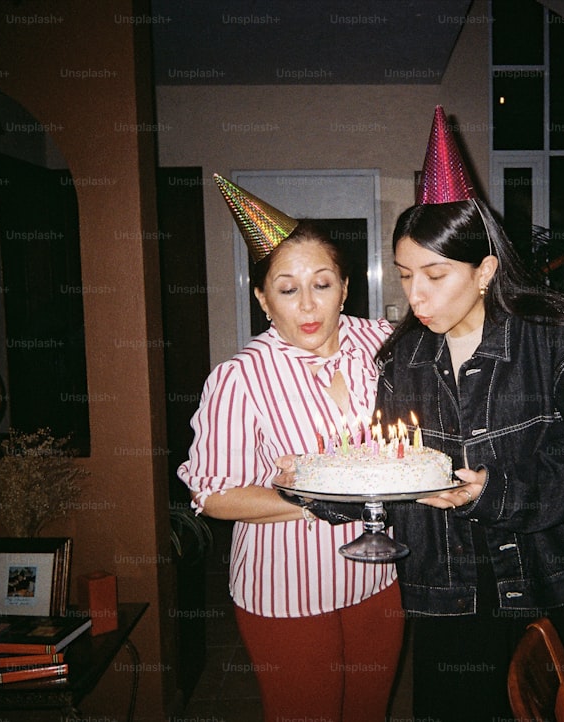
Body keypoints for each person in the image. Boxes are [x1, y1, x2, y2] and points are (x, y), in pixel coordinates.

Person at [377, 107, 564, 721]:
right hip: (451, 590)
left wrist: (494, 495)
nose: (414, 295)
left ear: (486, 271)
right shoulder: (404, 357)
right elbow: (390, 462)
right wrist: (334, 489)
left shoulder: (558, 340)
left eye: (434, 274)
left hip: (556, 577)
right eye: (404, 275)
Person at [177, 175, 404, 722]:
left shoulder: (384, 344)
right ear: (262, 297)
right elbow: (213, 497)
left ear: (346, 288)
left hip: (379, 577)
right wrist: (309, 495)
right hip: (286, 590)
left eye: (322, 284)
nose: (308, 304)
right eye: (287, 288)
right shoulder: (239, 379)